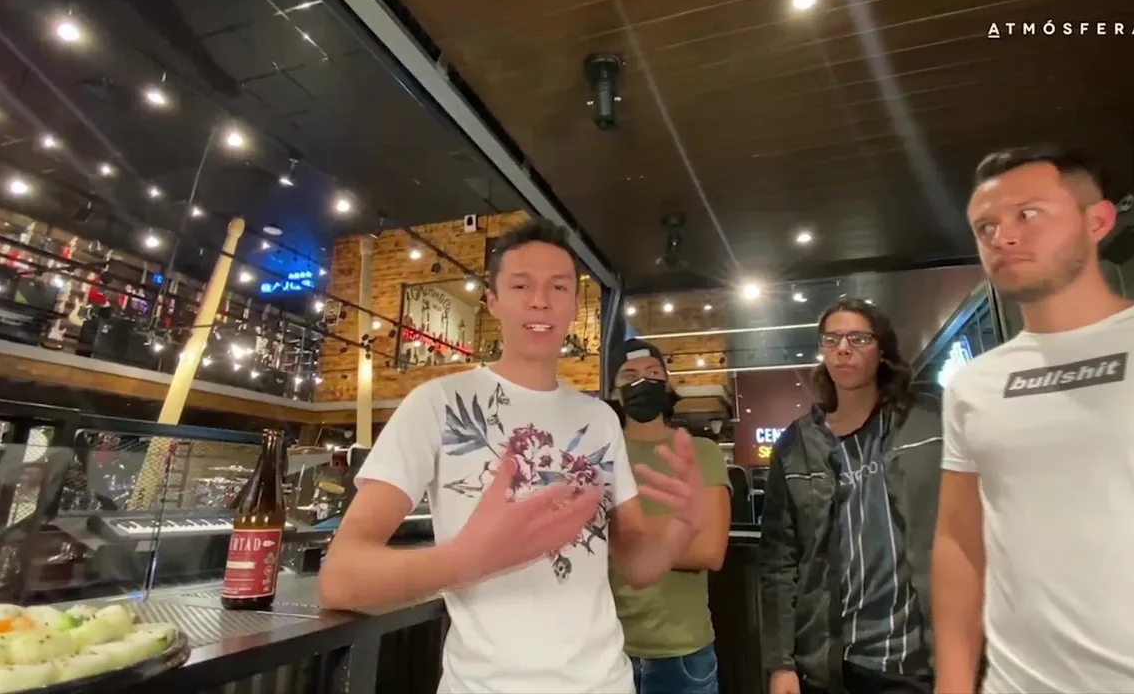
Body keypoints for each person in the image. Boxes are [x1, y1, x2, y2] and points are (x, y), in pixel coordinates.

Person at [318, 219, 711, 694]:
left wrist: (684, 526)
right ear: (493, 300)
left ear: (574, 305)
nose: (540, 300)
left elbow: (637, 567)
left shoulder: (600, 419)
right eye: (521, 285)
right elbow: (341, 579)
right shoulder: (437, 404)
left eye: (558, 287)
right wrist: (466, 559)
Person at [933, 145, 1134, 694]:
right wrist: (953, 685)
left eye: (1028, 214)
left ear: (1097, 221)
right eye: (986, 227)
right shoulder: (972, 385)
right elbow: (960, 543)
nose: (1003, 237)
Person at [760, 298, 941, 694]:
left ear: (882, 350)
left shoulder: (927, 421)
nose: (843, 348)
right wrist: (780, 663)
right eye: (832, 339)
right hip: (830, 663)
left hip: (915, 660)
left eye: (858, 338)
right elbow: (779, 562)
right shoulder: (797, 443)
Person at [607, 338, 732, 694]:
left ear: (668, 383)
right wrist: (675, 532)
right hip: (607, 648)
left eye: (653, 372)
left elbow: (709, 550)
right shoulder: (601, 454)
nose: (642, 381)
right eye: (629, 375)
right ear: (614, 391)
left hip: (682, 651)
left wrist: (618, 534)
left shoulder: (700, 452)